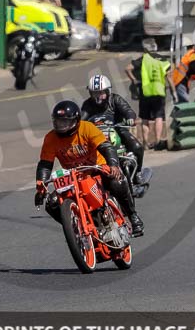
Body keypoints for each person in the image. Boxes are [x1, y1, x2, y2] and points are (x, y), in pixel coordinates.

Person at [35, 100, 144, 236]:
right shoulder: (50, 138)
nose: (61, 126)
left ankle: (133, 217)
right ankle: (76, 228)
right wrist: (41, 187)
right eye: (58, 122)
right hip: (74, 176)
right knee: (52, 203)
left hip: (97, 168)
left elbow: (106, 147)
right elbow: (45, 164)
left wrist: (113, 165)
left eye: (65, 122)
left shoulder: (87, 128)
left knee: (117, 181)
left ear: (76, 120)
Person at [81, 74, 148, 185]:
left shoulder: (115, 99)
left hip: (117, 128)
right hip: (96, 133)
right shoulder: (87, 104)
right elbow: (81, 119)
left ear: (108, 91)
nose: (98, 96)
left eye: (101, 92)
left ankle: (138, 173)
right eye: (95, 93)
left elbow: (127, 110)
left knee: (137, 147)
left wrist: (130, 118)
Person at [126, 39, 170, 152]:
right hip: (159, 92)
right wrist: (172, 89)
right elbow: (169, 74)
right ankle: (158, 141)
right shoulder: (162, 59)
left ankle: (145, 143)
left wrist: (134, 80)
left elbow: (128, 68)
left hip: (145, 92)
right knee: (159, 117)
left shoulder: (143, 59)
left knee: (145, 118)